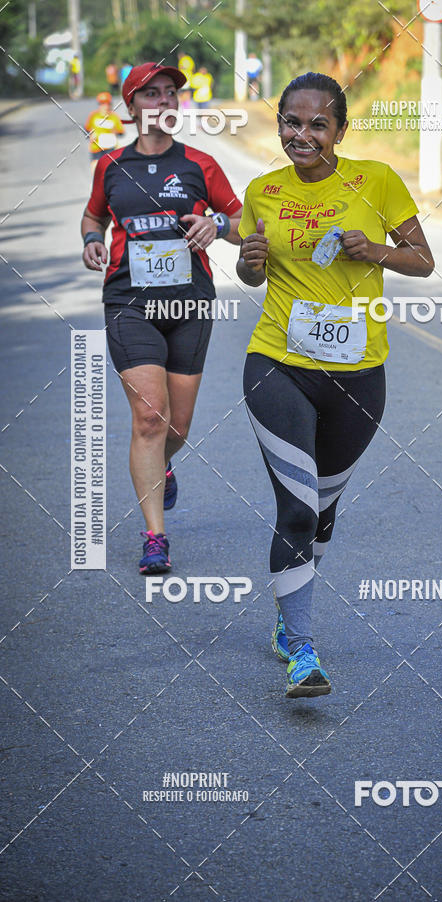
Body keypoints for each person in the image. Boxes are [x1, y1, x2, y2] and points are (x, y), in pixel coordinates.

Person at [237, 72, 434, 699]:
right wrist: (248, 262)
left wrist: (374, 249)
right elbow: (248, 272)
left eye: (318, 124)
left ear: (340, 132)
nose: (303, 134)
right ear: (280, 128)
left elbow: (423, 261)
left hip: (358, 377)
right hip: (277, 364)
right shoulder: (262, 190)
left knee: (321, 516)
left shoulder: (376, 180)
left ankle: (285, 610)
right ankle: (300, 648)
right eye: (292, 123)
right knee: (295, 508)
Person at [80, 62, 242, 574]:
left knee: (178, 424)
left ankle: (164, 465)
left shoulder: (201, 164)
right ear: (131, 107)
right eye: (151, 94)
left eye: (170, 93)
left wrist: (215, 223)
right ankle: (155, 537)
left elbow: (242, 222)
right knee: (150, 418)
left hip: (189, 302)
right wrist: (90, 240)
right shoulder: (109, 165)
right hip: (129, 303)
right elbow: (94, 215)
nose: (163, 102)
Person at [84, 92, 125, 173]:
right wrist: (91, 135)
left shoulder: (114, 117)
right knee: (95, 168)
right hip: (96, 147)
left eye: (107, 104)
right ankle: (94, 184)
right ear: (99, 105)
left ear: (110, 105)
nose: (105, 106)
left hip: (110, 147)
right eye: (102, 104)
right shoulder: (93, 116)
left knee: (109, 169)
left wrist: (115, 131)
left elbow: (121, 132)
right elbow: (86, 129)